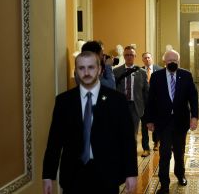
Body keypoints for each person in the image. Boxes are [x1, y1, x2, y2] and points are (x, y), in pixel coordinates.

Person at [42, 51, 138, 194]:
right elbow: (54, 141)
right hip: (73, 176)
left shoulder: (117, 100)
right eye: (81, 68)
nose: (86, 72)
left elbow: (127, 140)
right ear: (76, 71)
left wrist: (131, 173)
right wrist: (48, 175)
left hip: (107, 175)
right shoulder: (64, 101)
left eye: (91, 67)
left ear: (99, 70)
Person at [145, 49, 199, 194]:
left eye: (175, 60)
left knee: (180, 152)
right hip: (163, 122)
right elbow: (151, 100)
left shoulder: (186, 75)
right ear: (165, 62)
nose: (172, 63)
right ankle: (164, 184)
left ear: (178, 61)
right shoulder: (156, 77)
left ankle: (180, 174)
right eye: (169, 61)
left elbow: (193, 98)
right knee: (165, 153)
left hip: (181, 121)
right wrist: (149, 120)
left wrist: (194, 117)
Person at [113, 46, 150, 157]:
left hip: (135, 105)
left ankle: (131, 151)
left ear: (135, 56)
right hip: (121, 106)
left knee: (133, 130)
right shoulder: (116, 71)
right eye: (127, 55)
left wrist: (147, 106)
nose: (129, 57)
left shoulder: (142, 72)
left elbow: (146, 91)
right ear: (124, 56)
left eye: (131, 55)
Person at [141, 51, 163, 151]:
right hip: (143, 103)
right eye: (145, 58)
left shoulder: (160, 70)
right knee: (144, 125)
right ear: (142, 60)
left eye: (149, 57)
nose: (147, 59)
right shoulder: (139, 71)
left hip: (156, 103)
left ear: (152, 58)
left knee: (156, 123)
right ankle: (145, 147)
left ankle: (156, 142)